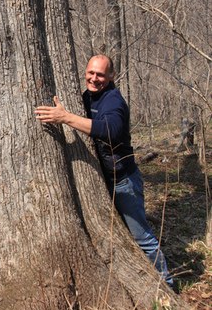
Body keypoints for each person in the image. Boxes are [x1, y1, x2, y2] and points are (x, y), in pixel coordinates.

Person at [35, 54, 173, 288]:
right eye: (91, 73)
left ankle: (167, 285)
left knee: (142, 237)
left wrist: (65, 117)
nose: (94, 78)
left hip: (123, 181)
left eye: (100, 74)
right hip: (103, 179)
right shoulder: (87, 97)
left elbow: (110, 130)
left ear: (111, 76)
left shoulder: (113, 100)